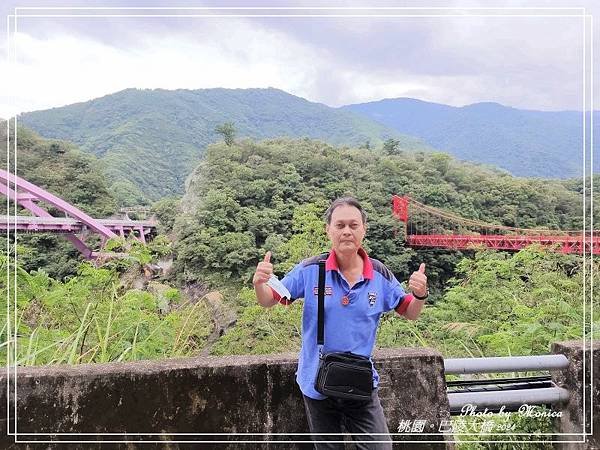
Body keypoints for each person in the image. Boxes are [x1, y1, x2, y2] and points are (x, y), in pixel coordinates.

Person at [253, 197, 428, 450]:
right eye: (340, 225)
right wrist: (260, 283)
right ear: (329, 229)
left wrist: (420, 294)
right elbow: (270, 299)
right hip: (316, 382)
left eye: (354, 225)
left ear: (364, 230)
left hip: (360, 382)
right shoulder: (311, 269)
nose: (347, 231)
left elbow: (409, 311)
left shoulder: (379, 274)